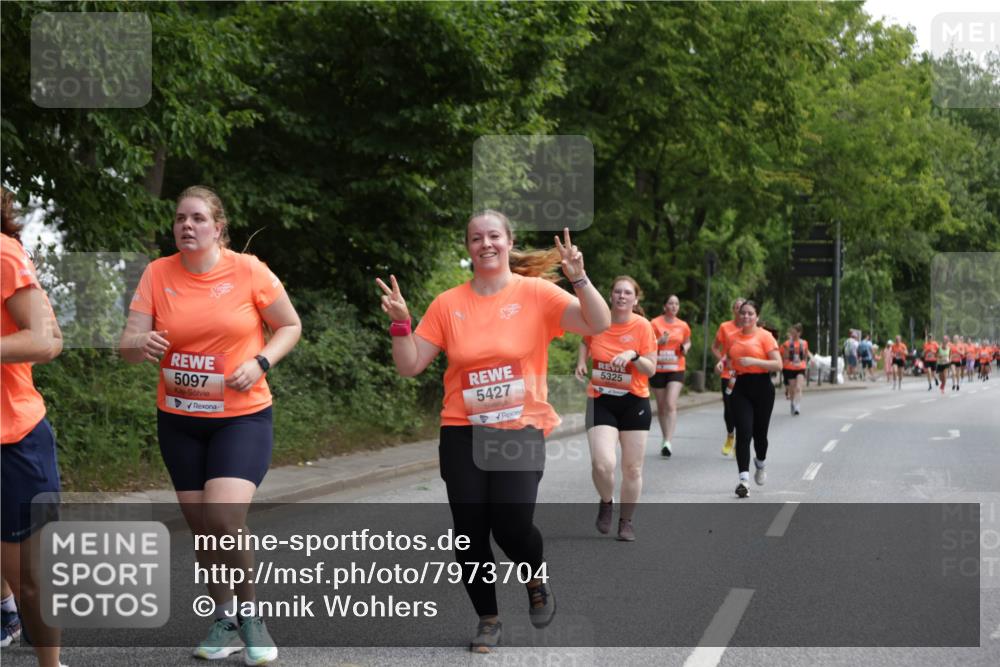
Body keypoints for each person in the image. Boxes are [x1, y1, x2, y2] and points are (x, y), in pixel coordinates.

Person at [376, 213, 609, 653]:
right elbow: (410, 365)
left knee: (512, 524)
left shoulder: (536, 293)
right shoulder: (448, 304)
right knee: (469, 531)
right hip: (462, 429)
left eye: (494, 236)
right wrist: (401, 324)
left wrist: (579, 278)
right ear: (468, 246)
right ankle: (487, 618)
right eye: (476, 237)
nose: (486, 243)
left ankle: (535, 577)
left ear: (509, 241)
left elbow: (596, 323)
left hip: (519, 428)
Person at [119, 186, 301, 665]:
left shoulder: (248, 269)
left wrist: (261, 361)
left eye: (198, 218)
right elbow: (127, 346)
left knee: (223, 519)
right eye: (180, 218)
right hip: (179, 420)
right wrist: (144, 343)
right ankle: (223, 617)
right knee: (203, 529)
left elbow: (290, 325)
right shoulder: (158, 273)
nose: (186, 226)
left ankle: (251, 615)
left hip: (241, 418)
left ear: (218, 227)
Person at [1, 187, 66, 667]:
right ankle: (6, 615)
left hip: (11, 440)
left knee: (27, 578)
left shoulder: (4, 253)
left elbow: (46, 341)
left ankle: (50, 663)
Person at [575, 277, 656, 541]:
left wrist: (633, 356)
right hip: (601, 399)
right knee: (602, 463)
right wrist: (581, 362)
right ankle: (607, 501)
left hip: (634, 401)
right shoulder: (599, 320)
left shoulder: (643, 326)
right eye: (617, 292)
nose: (622, 296)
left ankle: (626, 521)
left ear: (635, 299)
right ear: (610, 296)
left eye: (627, 293)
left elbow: (651, 369)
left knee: (632, 469)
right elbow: (586, 341)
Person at [720, 300, 782, 498]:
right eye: (743, 313)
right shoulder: (732, 337)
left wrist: (754, 361)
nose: (745, 317)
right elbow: (728, 359)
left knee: (760, 434)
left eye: (750, 314)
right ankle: (743, 481)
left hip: (763, 387)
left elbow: (778, 365)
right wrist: (723, 366)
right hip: (741, 388)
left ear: (757, 317)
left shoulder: (766, 337)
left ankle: (761, 463)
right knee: (744, 433)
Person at [648, 294, 691, 457]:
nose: (674, 306)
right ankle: (664, 437)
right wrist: (659, 342)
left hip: (676, 367)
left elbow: (687, 341)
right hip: (657, 368)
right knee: (661, 406)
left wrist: (685, 348)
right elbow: (646, 343)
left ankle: (668, 441)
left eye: (676, 304)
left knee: (670, 403)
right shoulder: (654, 323)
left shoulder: (683, 325)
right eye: (670, 303)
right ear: (664, 306)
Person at [711, 298, 745, 457]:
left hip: (745, 374)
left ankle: (740, 442)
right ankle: (730, 435)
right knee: (729, 407)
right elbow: (715, 347)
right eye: (737, 308)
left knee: (743, 408)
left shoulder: (751, 329)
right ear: (733, 310)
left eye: (742, 308)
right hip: (729, 373)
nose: (740, 311)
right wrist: (720, 360)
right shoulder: (725, 327)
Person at [780, 324, 812, 415]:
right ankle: (792, 403)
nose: (794, 334)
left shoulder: (804, 343)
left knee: (798, 388)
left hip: (800, 367)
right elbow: (782, 355)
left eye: (795, 332)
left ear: (799, 333)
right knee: (792, 389)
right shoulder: (786, 344)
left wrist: (806, 363)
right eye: (792, 332)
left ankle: (797, 406)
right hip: (789, 368)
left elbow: (805, 355)